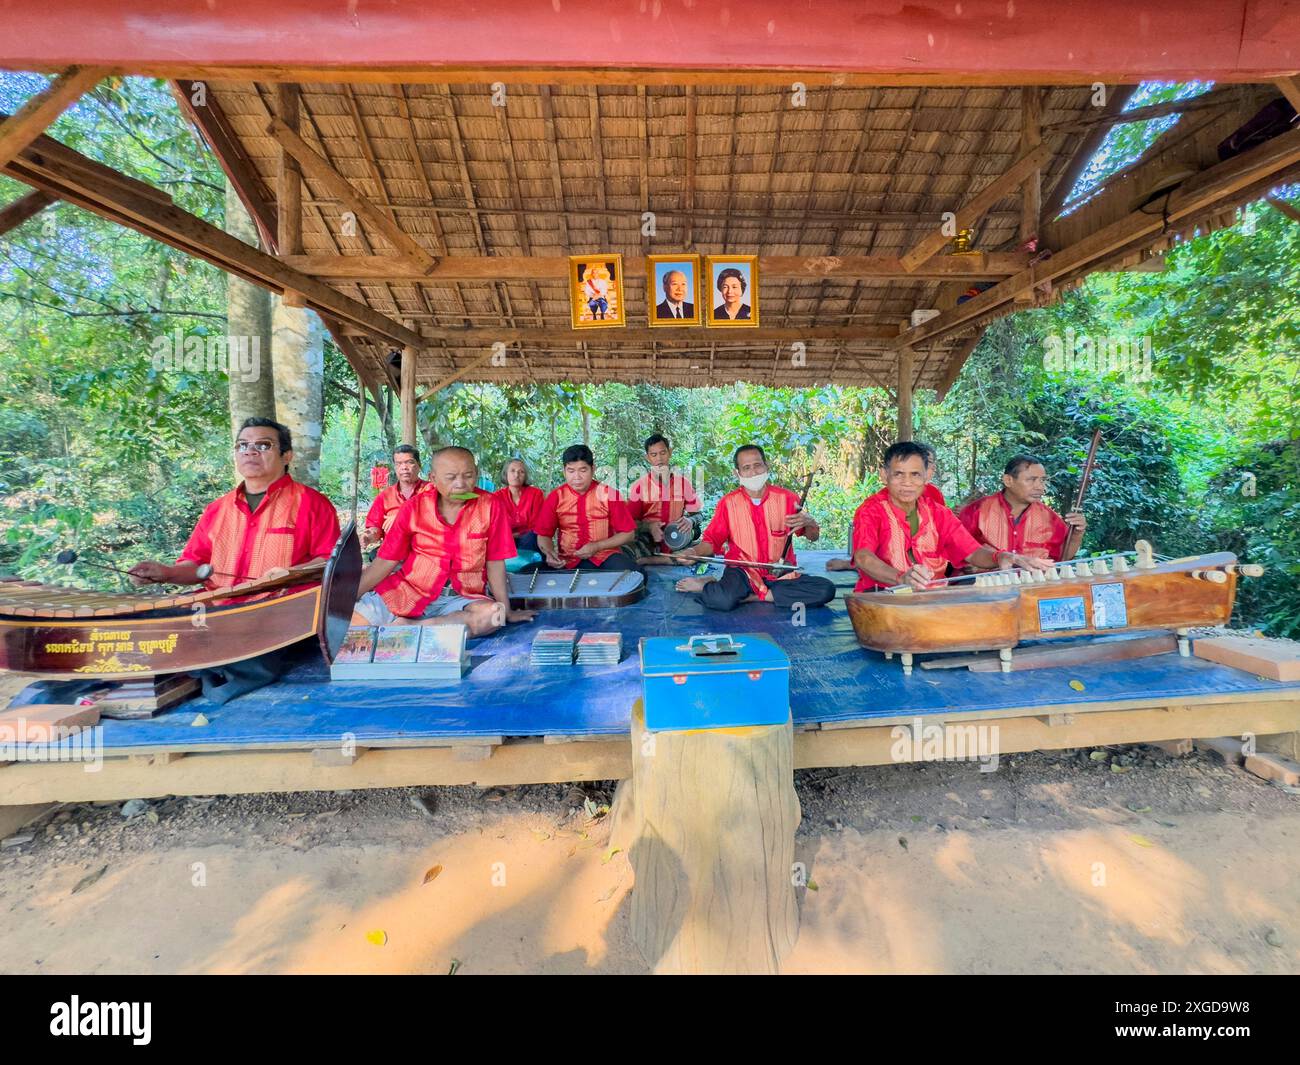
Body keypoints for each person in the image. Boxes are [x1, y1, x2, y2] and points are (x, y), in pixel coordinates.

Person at [128, 417, 339, 595]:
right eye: (242, 445)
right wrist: (165, 573)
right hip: (218, 616)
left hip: (282, 620)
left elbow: (331, 561)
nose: (250, 451)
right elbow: (196, 565)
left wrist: (291, 574)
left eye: (263, 445)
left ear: (287, 456)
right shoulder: (217, 509)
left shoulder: (312, 503)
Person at [352, 446, 534, 636]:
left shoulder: (490, 505)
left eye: (468, 475)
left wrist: (507, 609)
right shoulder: (414, 508)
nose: (461, 484)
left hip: (461, 598)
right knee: (351, 625)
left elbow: (495, 562)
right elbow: (384, 561)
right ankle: (424, 630)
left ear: (477, 474)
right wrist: (348, 599)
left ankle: (409, 629)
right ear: (433, 478)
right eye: (451, 477)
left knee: (496, 615)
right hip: (409, 590)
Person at [851, 441, 1053, 592]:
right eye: (898, 474)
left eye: (915, 475)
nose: (907, 482)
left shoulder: (938, 513)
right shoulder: (871, 510)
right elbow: (863, 557)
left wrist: (1002, 556)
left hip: (932, 598)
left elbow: (972, 553)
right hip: (883, 596)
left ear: (927, 477)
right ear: (884, 476)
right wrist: (901, 578)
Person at [675, 444, 836, 611]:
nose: (753, 472)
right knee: (721, 600)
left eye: (758, 465)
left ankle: (751, 597)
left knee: (826, 589)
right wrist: (693, 553)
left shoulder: (788, 498)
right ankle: (714, 584)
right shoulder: (728, 503)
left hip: (780, 573)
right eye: (746, 468)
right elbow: (712, 541)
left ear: (767, 466)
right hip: (742, 572)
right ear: (737, 473)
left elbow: (813, 536)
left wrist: (810, 522)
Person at [828, 440, 946, 572]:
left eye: (927, 464)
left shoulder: (934, 494)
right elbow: (866, 554)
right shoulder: (877, 506)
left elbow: (942, 534)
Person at [958, 454, 1086, 565]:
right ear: (1008, 480)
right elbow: (956, 549)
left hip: (1033, 585)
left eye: (1042, 480)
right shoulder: (977, 510)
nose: (1040, 487)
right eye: (1031, 480)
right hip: (985, 584)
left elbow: (1063, 557)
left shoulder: (1049, 517)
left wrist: (1076, 535)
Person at [532, 444, 637, 571]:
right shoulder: (556, 497)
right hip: (568, 560)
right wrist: (549, 553)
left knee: (634, 575)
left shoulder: (609, 494)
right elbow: (543, 534)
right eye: (571, 471)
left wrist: (597, 546)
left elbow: (628, 534)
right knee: (535, 577)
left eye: (583, 470)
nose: (577, 477)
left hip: (604, 556)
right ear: (564, 471)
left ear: (593, 469)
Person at [627, 433, 703, 564]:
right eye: (654, 455)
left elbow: (699, 515)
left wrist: (690, 521)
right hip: (650, 540)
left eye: (663, 453)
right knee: (627, 552)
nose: (659, 459)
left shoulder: (683, 483)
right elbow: (630, 523)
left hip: (676, 538)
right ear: (647, 458)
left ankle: (653, 560)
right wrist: (649, 526)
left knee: (702, 545)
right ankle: (665, 560)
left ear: (670, 452)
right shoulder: (639, 486)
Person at [362, 444, 426, 551]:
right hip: (393, 553)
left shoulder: (431, 490)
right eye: (399, 464)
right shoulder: (385, 496)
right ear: (395, 468)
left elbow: (435, 517)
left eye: (409, 462)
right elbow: (376, 527)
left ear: (419, 465)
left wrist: (401, 517)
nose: (404, 467)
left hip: (424, 553)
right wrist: (368, 537)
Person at [494, 457, 545, 553]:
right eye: (512, 471)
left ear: (525, 476)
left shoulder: (535, 494)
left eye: (521, 472)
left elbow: (537, 525)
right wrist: (509, 536)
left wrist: (519, 534)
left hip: (530, 540)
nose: (516, 475)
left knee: (530, 537)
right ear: (506, 474)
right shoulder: (497, 497)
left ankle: (528, 566)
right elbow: (496, 526)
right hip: (505, 539)